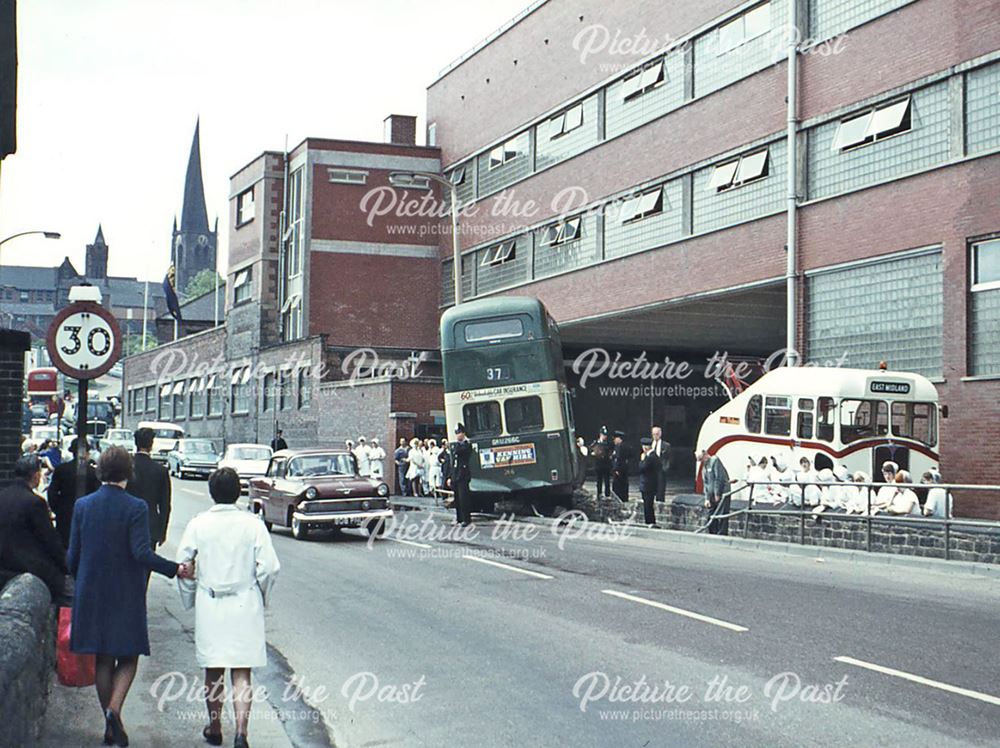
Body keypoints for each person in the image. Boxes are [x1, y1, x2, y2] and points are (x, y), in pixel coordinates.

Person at [68, 446, 193, 747]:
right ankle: (114, 710)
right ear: (128, 473)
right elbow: (141, 552)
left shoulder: (83, 506)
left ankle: (110, 724)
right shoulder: (136, 507)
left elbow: (73, 556)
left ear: (100, 472)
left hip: (92, 589)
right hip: (125, 590)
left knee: (102, 656)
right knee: (128, 655)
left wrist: (80, 580)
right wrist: (175, 569)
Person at [176, 468, 280, 748]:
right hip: (244, 601)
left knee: (213, 669)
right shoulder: (252, 524)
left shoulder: (199, 524)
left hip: (211, 602)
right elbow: (269, 567)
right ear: (239, 492)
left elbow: (183, 566)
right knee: (241, 669)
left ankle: (215, 726)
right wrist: (260, 595)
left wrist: (188, 598)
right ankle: (241, 733)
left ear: (211, 493)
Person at [0, 455, 69, 600]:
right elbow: (50, 541)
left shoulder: (3, 496)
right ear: (36, 475)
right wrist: (65, 565)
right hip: (27, 568)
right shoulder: (35, 503)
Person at [47, 437, 101, 549]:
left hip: (65, 516)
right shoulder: (93, 473)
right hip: (87, 517)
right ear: (86, 453)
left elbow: (52, 493)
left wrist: (58, 509)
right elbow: (98, 496)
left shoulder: (61, 470)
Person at [127, 427, 172, 548]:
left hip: (127, 523)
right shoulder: (160, 471)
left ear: (136, 443)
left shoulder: (126, 467)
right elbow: (165, 505)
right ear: (151, 445)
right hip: (150, 526)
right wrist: (162, 532)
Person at [698, 449, 731, 535]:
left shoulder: (714, 460)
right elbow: (706, 483)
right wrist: (707, 498)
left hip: (722, 491)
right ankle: (713, 532)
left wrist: (717, 493)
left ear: (705, 455)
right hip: (711, 493)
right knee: (711, 514)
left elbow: (718, 478)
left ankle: (721, 533)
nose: (701, 461)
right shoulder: (705, 466)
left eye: (701, 459)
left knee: (722, 514)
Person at [447, 424, 474, 525]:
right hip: (456, 475)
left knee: (464, 499)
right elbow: (454, 463)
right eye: (456, 433)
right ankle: (459, 518)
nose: (458, 435)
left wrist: (458, 444)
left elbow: (460, 452)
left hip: (463, 475)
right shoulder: (457, 445)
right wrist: (450, 476)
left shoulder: (466, 445)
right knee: (457, 499)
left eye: (459, 433)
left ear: (463, 433)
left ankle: (466, 519)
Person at [637, 437, 659, 526]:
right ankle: (649, 521)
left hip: (648, 485)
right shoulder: (652, 456)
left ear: (645, 448)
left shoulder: (651, 457)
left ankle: (650, 521)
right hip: (648, 485)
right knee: (647, 504)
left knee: (648, 505)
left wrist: (642, 460)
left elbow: (642, 468)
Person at [589, 426, 612, 499]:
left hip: (606, 464)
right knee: (599, 481)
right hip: (598, 464)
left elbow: (610, 451)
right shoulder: (595, 442)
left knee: (607, 480)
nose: (604, 437)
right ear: (600, 435)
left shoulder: (608, 443)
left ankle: (607, 494)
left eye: (605, 435)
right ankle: (599, 494)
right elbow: (590, 449)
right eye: (603, 435)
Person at [649, 426, 671, 503]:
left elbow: (669, 458)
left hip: (661, 470)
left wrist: (665, 468)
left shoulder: (666, 445)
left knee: (660, 489)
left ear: (660, 434)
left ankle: (660, 503)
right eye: (654, 434)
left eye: (657, 434)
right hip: (651, 469)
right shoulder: (649, 444)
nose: (655, 436)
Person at [610, 430, 630, 502]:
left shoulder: (620, 447)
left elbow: (618, 459)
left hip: (620, 470)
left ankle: (620, 500)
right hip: (621, 469)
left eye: (615, 438)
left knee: (619, 487)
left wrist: (616, 469)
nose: (614, 440)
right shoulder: (619, 446)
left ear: (619, 438)